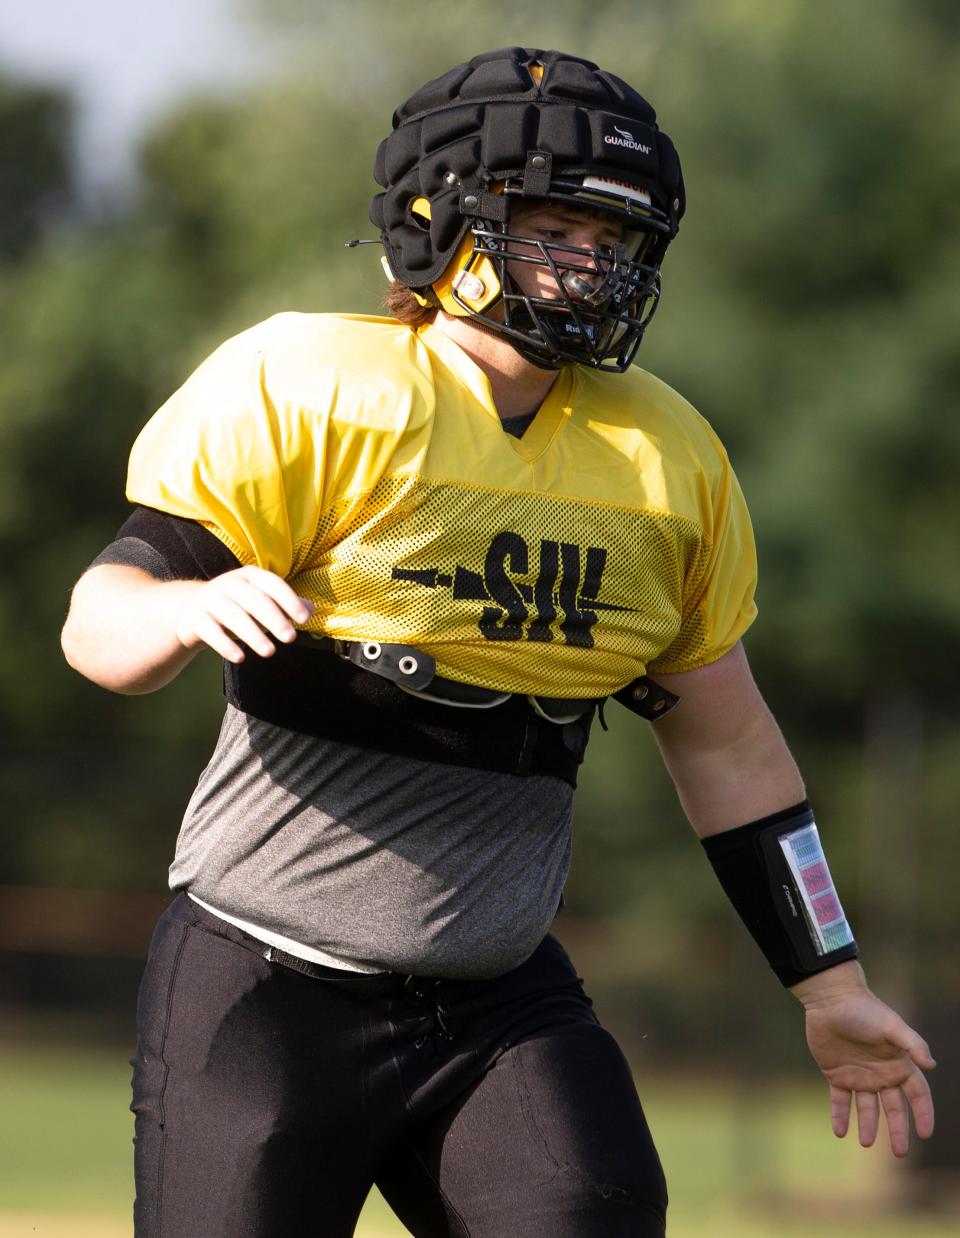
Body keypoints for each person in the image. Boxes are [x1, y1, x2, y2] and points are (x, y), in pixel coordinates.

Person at [60, 46, 934, 1238]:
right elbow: (98, 620)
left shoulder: (663, 458)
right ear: (440, 221)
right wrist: (171, 611)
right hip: (264, 980)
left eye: (617, 240)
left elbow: (729, 746)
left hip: (495, 999)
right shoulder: (313, 385)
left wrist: (828, 980)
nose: (592, 265)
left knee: (594, 1211)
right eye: (556, 227)